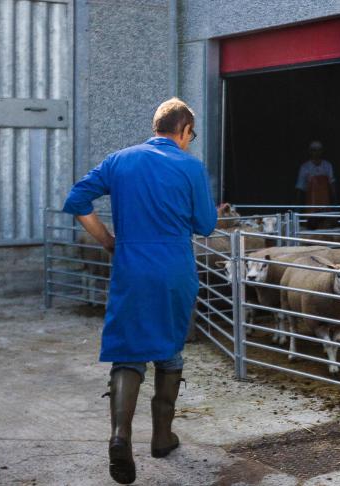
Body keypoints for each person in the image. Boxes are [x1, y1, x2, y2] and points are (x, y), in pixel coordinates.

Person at [62, 98, 217, 484]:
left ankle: (120, 435)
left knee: (128, 355)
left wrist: (109, 241)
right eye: (190, 135)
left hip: (130, 269)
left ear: (155, 127)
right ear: (183, 131)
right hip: (173, 270)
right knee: (169, 352)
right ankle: (162, 437)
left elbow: (77, 200)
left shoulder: (119, 160)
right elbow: (206, 225)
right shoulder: (190, 166)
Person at [295, 140, 337, 208]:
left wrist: (335, 200)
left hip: (325, 202)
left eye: (319, 150)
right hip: (311, 202)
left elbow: (332, 184)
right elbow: (300, 187)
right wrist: (297, 205)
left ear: (322, 151)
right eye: (314, 150)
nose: (317, 152)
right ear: (310, 151)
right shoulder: (305, 167)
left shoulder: (328, 165)